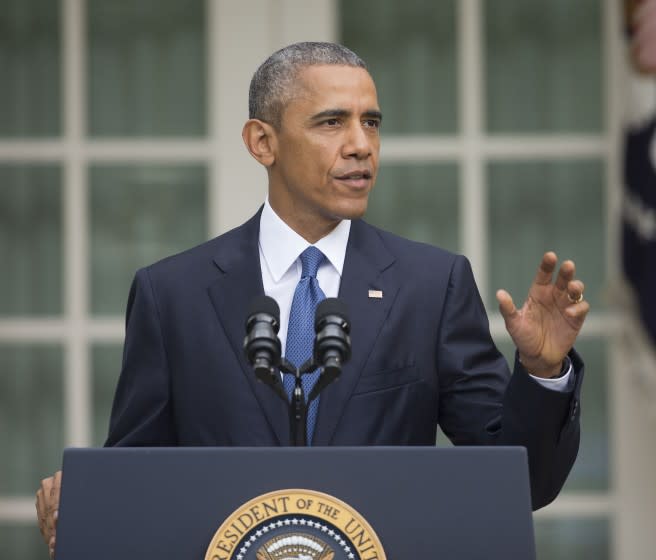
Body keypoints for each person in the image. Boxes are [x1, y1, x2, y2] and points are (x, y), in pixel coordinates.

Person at [36, 42, 589, 558]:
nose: (360, 144)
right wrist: (84, 507)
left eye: (370, 123)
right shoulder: (172, 294)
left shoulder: (431, 284)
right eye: (332, 122)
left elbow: (522, 483)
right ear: (262, 142)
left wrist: (543, 372)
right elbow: (139, 478)